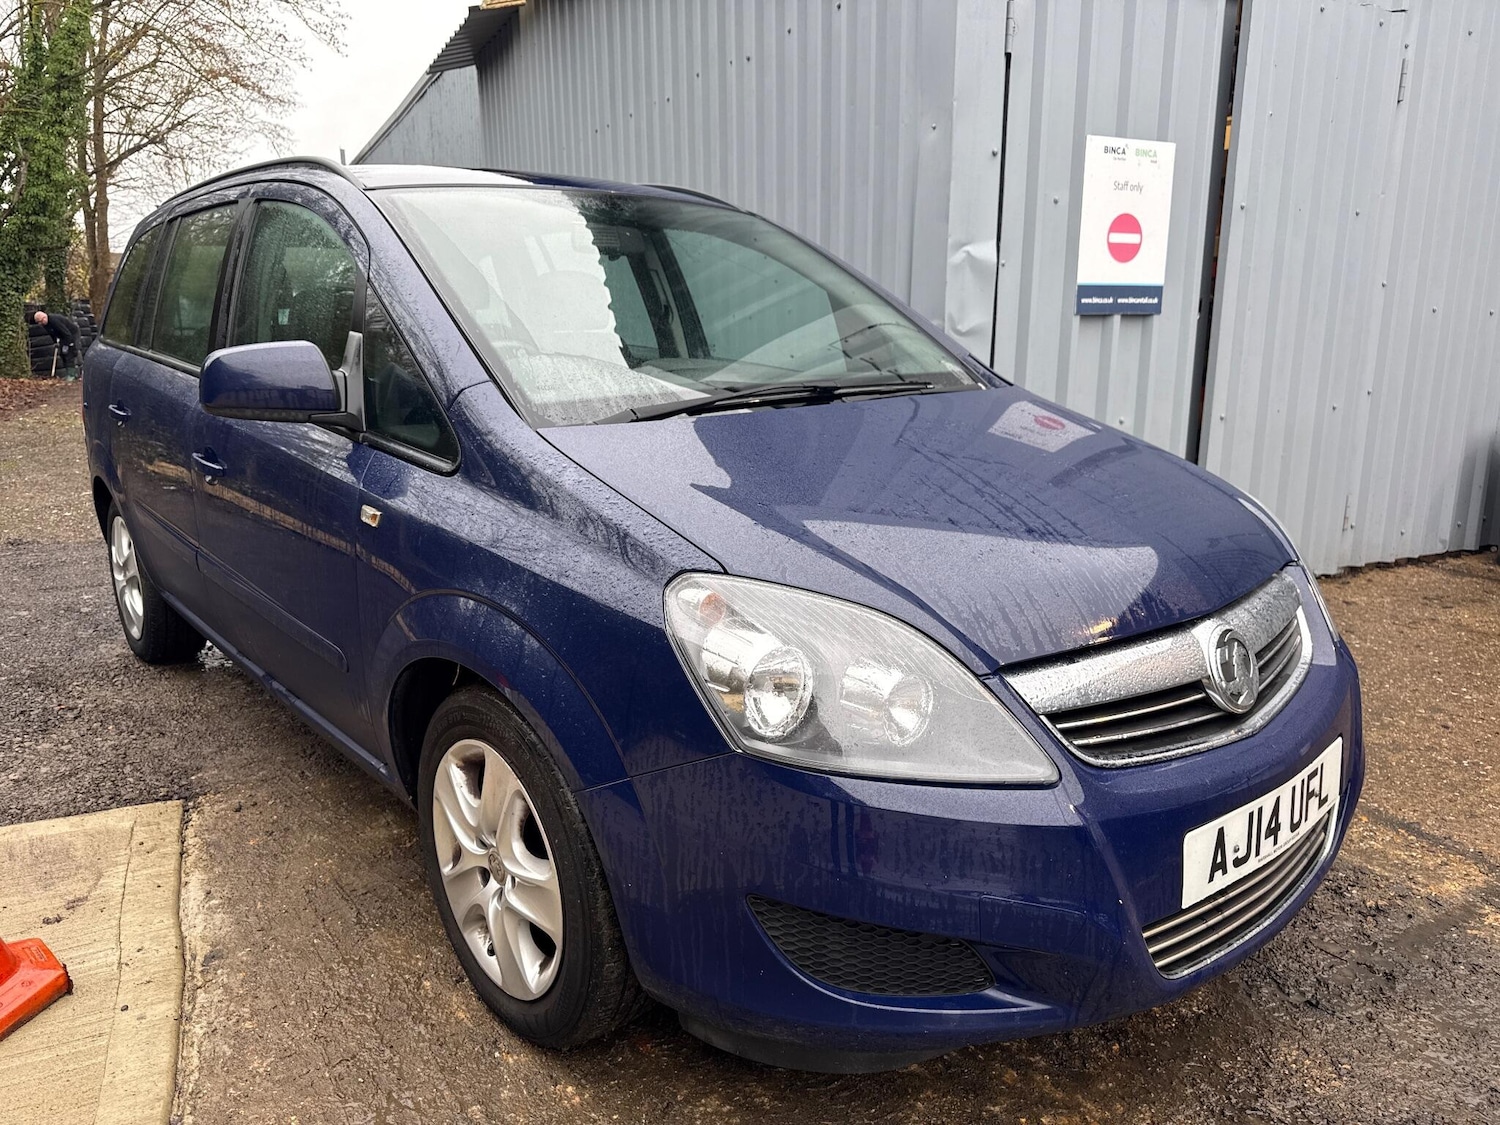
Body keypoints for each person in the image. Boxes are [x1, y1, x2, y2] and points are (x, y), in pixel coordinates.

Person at [33, 309, 80, 380]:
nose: (40, 324)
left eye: (40, 321)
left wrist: (67, 345)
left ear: (44, 317)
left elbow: (66, 333)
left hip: (71, 334)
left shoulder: (54, 321)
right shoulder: (46, 324)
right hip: (63, 336)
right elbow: (52, 334)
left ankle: (72, 375)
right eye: (39, 323)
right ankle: (69, 373)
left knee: (69, 354)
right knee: (62, 354)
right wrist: (55, 342)